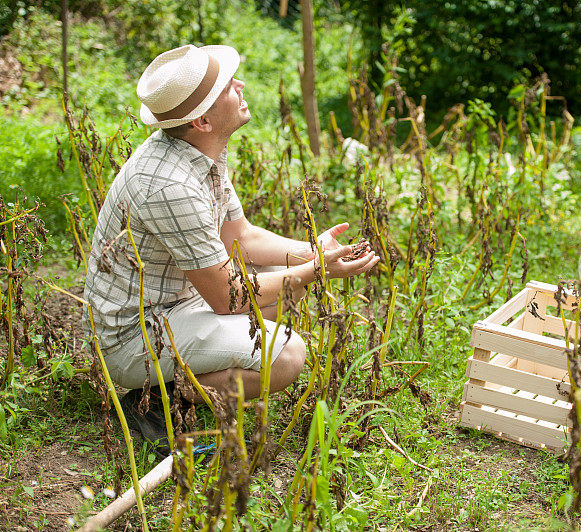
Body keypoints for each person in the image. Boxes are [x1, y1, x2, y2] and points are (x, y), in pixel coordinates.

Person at [83, 44, 379, 451]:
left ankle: (175, 382)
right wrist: (318, 271)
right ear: (202, 120)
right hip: (134, 335)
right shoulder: (169, 185)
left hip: (175, 303)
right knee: (288, 355)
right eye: (226, 85)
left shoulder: (199, 151)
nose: (240, 84)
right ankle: (152, 398)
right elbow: (230, 297)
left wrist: (313, 250)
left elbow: (239, 236)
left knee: (282, 294)